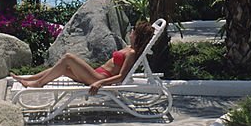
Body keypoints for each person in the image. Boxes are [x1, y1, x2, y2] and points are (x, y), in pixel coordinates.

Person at [11, 21, 156, 95]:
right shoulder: (128, 49)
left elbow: (120, 77)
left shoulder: (131, 54)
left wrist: (100, 83)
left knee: (68, 58)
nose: (131, 32)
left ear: (138, 36)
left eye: (133, 31)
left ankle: (37, 84)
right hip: (96, 74)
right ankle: (31, 79)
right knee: (64, 68)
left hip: (98, 78)